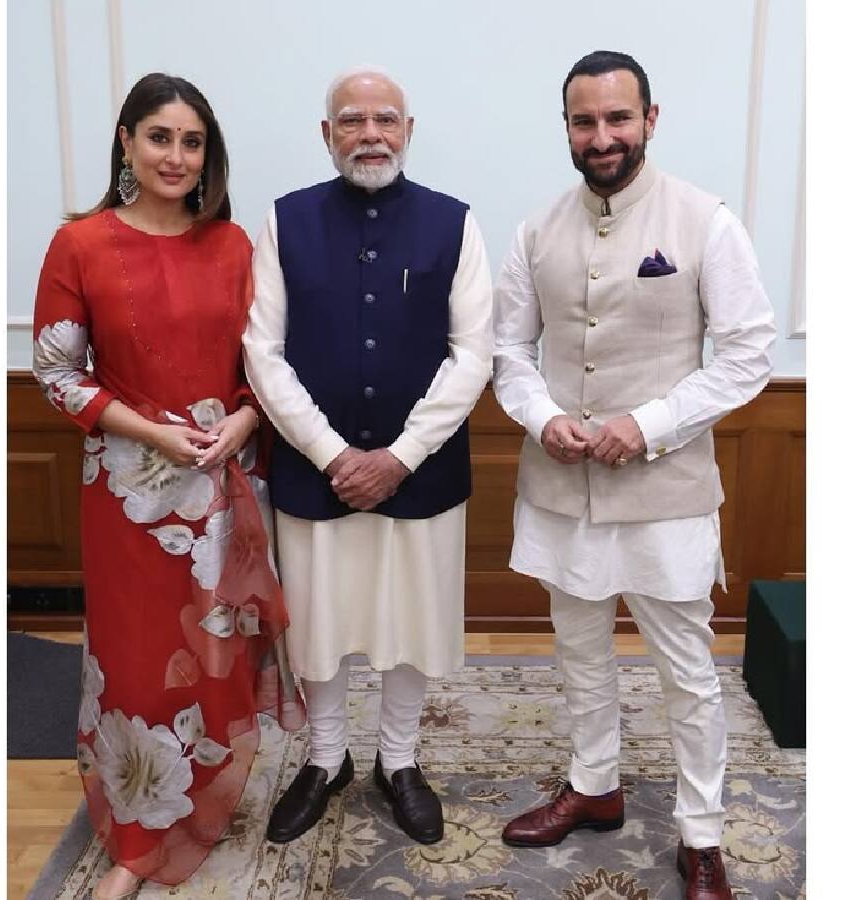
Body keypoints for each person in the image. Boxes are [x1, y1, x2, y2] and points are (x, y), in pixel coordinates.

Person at [490, 51, 776, 900]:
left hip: (666, 494)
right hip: (559, 490)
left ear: (651, 119)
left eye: (619, 118)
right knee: (579, 656)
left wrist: (645, 426)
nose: (602, 135)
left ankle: (702, 835)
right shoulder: (536, 230)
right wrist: (545, 419)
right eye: (585, 121)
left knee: (686, 672)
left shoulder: (705, 221)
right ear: (568, 129)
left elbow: (751, 351)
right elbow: (508, 351)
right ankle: (594, 785)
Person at [31, 72, 305, 900]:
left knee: (214, 655)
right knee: (138, 660)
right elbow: (55, 374)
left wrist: (245, 422)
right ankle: (138, 834)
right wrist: (153, 431)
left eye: (192, 142)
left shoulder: (234, 249)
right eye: (160, 138)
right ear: (126, 141)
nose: (176, 157)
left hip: (223, 489)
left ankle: (200, 799)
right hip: (126, 497)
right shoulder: (78, 244)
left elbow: (267, 371)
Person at [242, 66, 493, 847]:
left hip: (421, 473)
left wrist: (401, 456)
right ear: (327, 134)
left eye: (386, 119)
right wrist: (329, 453)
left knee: (410, 621)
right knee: (318, 623)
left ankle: (400, 759)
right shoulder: (284, 222)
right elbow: (262, 352)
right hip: (314, 473)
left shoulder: (456, 223)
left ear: (409, 131)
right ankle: (324, 759)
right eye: (351, 120)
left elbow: (473, 353)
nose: (370, 133)